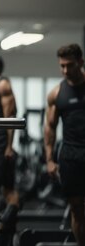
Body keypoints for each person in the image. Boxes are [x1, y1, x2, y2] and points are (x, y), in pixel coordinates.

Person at [44, 44, 85, 246]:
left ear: (81, 62)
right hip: (70, 155)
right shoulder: (56, 94)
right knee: (77, 208)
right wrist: (49, 159)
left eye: (70, 65)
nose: (66, 70)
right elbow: (50, 128)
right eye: (62, 66)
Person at [0, 55, 20, 219]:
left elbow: (10, 117)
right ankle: (7, 229)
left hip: (0, 143)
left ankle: (5, 227)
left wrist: (9, 147)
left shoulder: (2, 85)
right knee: (7, 188)